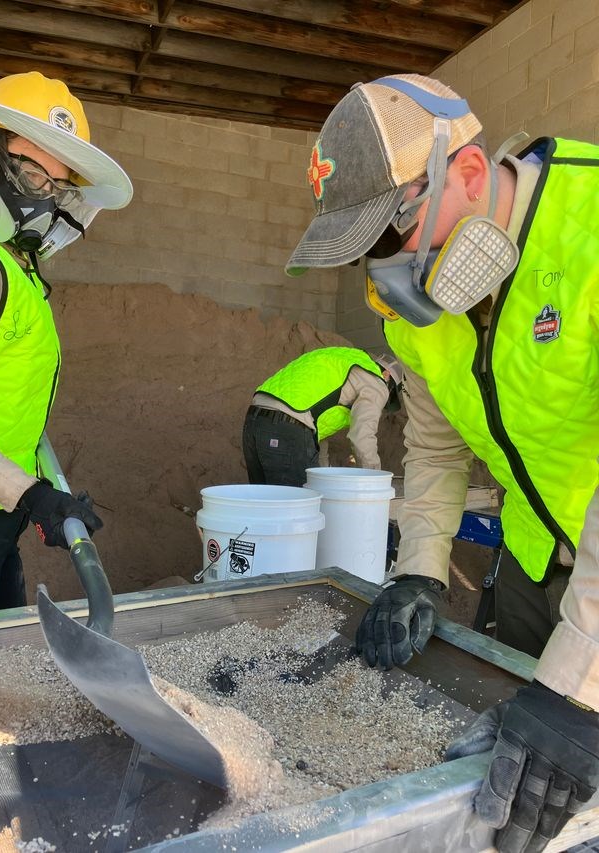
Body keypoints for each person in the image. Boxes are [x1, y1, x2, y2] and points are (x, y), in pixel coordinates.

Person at [285, 73, 599, 853]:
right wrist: (421, 568)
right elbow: (435, 442)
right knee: (526, 796)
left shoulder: (590, 223)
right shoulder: (421, 313)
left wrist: (577, 689)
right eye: (363, 254)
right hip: (534, 561)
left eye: (388, 238)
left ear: (467, 172)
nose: (384, 272)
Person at [0, 71, 133, 614]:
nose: (43, 200)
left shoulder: (11, 263)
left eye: (55, 186)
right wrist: (31, 495)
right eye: (34, 173)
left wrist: (31, 485)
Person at [242, 346, 399, 486]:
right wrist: (375, 482)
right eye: (391, 392)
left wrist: (321, 475)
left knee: (264, 503)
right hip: (288, 428)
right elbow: (362, 437)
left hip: (254, 420)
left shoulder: (344, 358)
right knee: (297, 506)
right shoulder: (376, 382)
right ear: (386, 375)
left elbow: (314, 431)